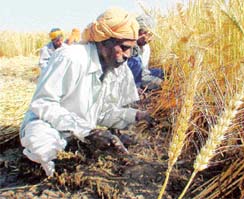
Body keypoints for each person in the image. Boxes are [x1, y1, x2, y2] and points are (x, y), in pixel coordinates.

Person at [20, 7, 153, 177]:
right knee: (43, 146)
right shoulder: (70, 57)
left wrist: (136, 115)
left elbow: (102, 114)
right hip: (48, 124)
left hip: (80, 131)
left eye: (131, 49)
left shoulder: (113, 68)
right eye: (124, 47)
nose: (128, 55)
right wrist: (88, 132)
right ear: (104, 41)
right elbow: (43, 104)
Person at [128, 14, 164, 89]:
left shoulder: (146, 48)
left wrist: (152, 79)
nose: (150, 38)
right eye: (148, 34)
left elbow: (144, 72)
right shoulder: (128, 45)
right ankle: (136, 89)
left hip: (141, 75)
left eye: (151, 35)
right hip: (129, 79)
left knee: (161, 72)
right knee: (136, 61)